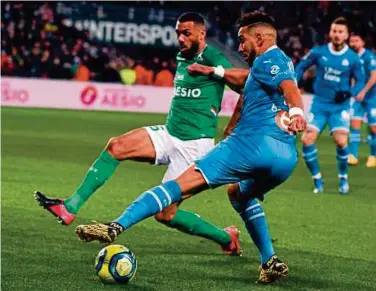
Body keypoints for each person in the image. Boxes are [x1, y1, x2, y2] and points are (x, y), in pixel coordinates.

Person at [74, 11, 307, 284]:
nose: (240, 47)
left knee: (176, 187)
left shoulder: (271, 59)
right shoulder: (270, 64)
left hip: (250, 146)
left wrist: (297, 111)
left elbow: (289, 88)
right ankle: (269, 261)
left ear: (259, 37)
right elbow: (249, 86)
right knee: (238, 194)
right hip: (285, 158)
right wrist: (228, 107)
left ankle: (116, 226)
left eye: (243, 41)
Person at [34, 12, 243, 256]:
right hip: (170, 133)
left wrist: (232, 126)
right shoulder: (182, 57)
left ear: (201, 34)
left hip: (194, 147)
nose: (181, 38)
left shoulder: (214, 57)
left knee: (166, 215)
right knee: (116, 146)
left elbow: (245, 86)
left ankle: (225, 238)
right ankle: (69, 206)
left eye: (186, 33)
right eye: (178, 34)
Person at [296, 17, 365, 195]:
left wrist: (349, 92)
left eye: (340, 32)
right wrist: (296, 81)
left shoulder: (352, 58)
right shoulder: (318, 52)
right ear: (330, 33)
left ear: (346, 35)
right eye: (334, 31)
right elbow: (302, 65)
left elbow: (360, 81)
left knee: (341, 142)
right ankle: (317, 179)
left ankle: (343, 178)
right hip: (319, 104)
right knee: (306, 139)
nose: (337, 34)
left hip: (339, 107)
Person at [348, 32, 376, 167]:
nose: (353, 43)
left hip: (372, 97)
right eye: (351, 41)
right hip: (359, 97)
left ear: (362, 42)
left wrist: (363, 91)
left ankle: (373, 156)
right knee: (354, 125)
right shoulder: (351, 57)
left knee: (373, 128)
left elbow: (374, 77)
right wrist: (353, 90)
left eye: (356, 41)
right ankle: (353, 155)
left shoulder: (369, 56)